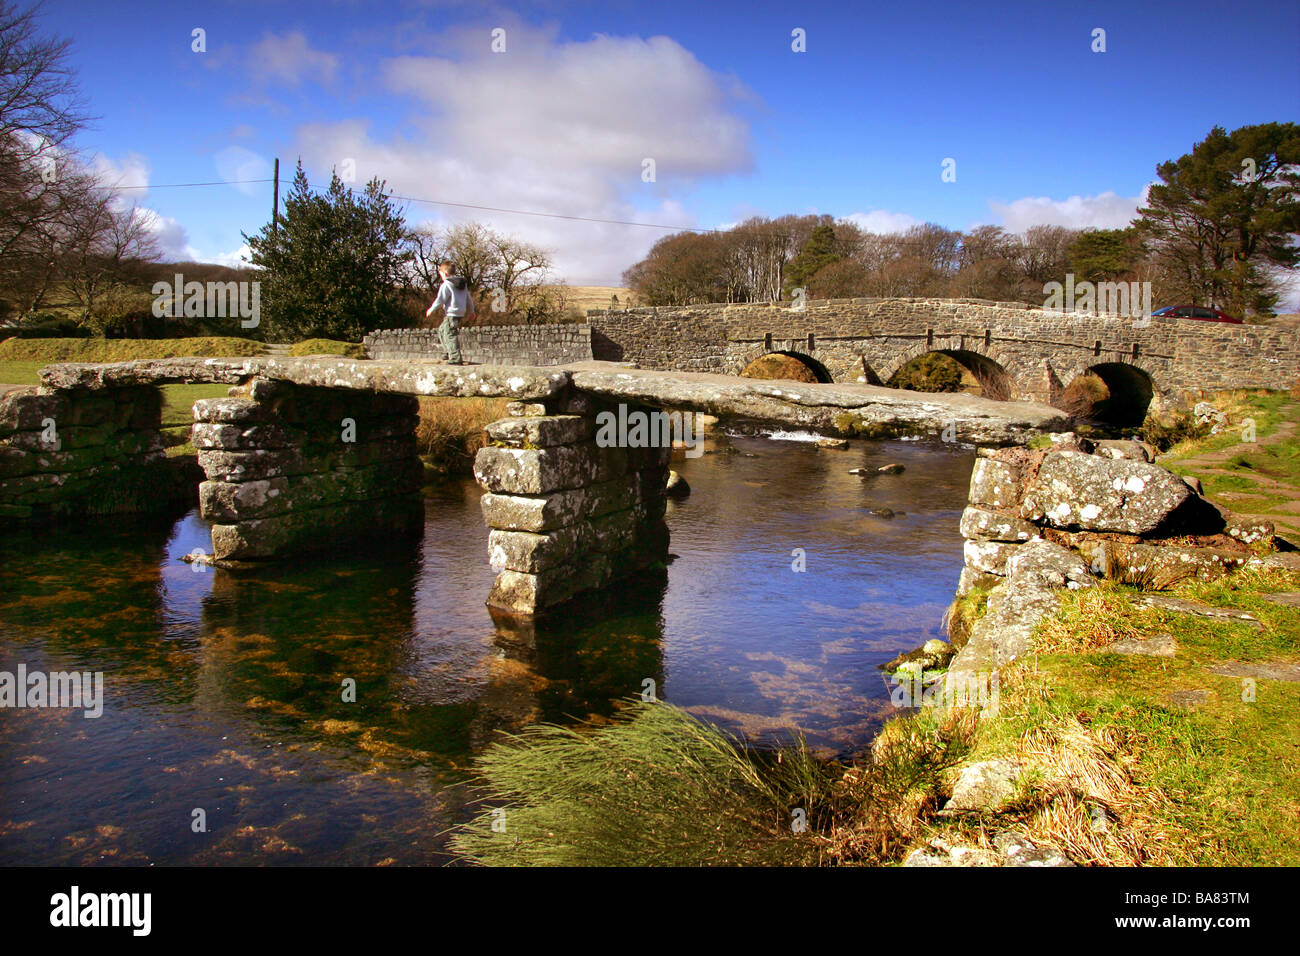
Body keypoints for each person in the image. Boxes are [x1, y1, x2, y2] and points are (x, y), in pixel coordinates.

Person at [425, 262, 475, 364]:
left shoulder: (447, 285)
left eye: (441, 275)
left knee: (450, 334)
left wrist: (431, 309)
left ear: (445, 273)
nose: (441, 277)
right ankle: (448, 352)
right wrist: (471, 311)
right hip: (459, 312)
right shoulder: (462, 285)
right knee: (442, 330)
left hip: (451, 314)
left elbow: (440, 300)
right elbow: (468, 298)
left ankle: (455, 358)